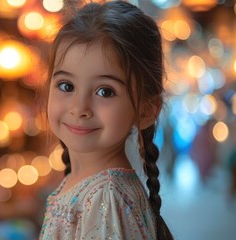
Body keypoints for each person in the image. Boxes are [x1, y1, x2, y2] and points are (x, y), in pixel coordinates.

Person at [39, 1, 173, 240]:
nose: (79, 108)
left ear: (145, 110)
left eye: (105, 92)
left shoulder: (106, 197)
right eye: (66, 86)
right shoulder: (90, 186)